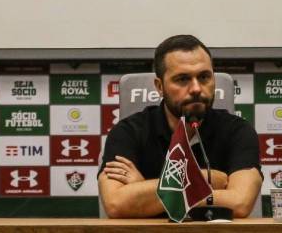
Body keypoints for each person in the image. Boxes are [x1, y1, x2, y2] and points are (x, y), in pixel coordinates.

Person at [98, 34, 263, 218]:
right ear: (160, 86)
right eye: (183, 79)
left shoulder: (238, 131)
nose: (196, 88)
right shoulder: (128, 132)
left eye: (204, 77)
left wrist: (146, 189)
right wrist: (204, 179)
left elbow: (239, 203)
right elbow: (116, 204)